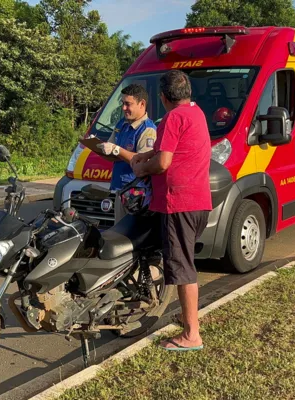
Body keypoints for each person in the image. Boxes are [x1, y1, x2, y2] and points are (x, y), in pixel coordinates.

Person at [131, 70, 211, 351]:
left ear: (162, 97)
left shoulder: (172, 118)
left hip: (178, 204)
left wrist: (142, 168)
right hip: (198, 202)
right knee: (182, 261)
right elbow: (173, 149)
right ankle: (188, 317)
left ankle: (191, 335)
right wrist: (147, 154)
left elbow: (163, 162)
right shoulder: (195, 113)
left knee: (182, 268)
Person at [96, 84, 157, 223]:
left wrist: (116, 150)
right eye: (123, 103)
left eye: (128, 104)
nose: (124, 108)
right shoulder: (121, 125)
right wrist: (97, 147)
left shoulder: (148, 130)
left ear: (142, 104)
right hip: (120, 190)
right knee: (119, 232)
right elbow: (111, 151)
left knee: (131, 236)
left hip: (136, 194)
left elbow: (143, 161)